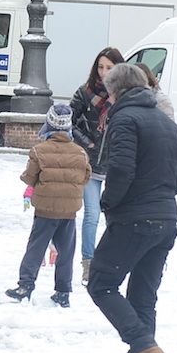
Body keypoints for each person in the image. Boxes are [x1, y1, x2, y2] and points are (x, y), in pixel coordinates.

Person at [93, 61, 177, 353]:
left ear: (115, 91)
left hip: (133, 219)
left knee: (102, 283)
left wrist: (110, 203)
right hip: (166, 221)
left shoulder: (124, 118)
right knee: (142, 297)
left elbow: (120, 170)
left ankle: (144, 348)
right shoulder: (166, 123)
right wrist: (158, 197)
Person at [7, 101, 91, 307]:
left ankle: (25, 286)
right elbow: (85, 177)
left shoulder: (38, 150)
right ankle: (63, 292)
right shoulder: (80, 153)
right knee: (66, 252)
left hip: (45, 210)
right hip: (69, 211)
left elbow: (29, 177)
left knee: (36, 248)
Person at [70, 48, 123, 287]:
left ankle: (112, 264)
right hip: (90, 163)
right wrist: (87, 142)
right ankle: (88, 265)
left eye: (109, 68)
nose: (104, 73)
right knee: (91, 215)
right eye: (100, 67)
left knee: (115, 218)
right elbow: (66, 121)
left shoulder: (125, 95)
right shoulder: (85, 92)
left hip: (116, 166)